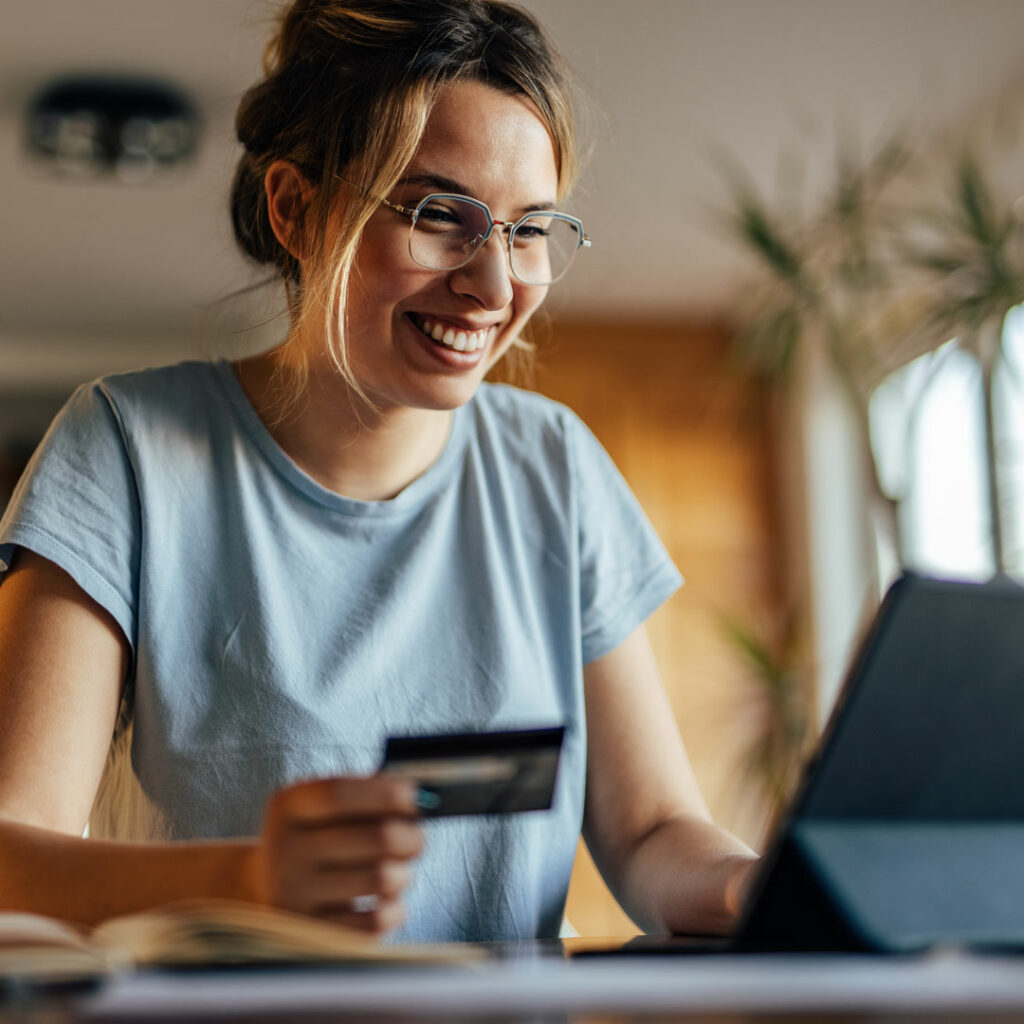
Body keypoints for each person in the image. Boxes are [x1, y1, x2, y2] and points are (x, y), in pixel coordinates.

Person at [0, 0, 756, 944]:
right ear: (297, 209)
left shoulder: (556, 469)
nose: (494, 285)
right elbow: (10, 861)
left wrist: (753, 889)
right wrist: (249, 878)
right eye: (443, 215)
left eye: (529, 231)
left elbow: (650, 832)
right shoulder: (123, 450)